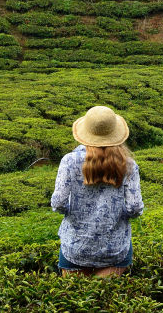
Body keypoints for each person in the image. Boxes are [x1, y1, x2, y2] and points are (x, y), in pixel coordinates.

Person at [51, 105, 144, 277]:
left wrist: (76, 212)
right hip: (115, 249)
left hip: (75, 247)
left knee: (75, 299)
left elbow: (58, 203)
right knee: (107, 300)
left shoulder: (69, 161)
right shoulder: (129, 165)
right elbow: (135, 208)